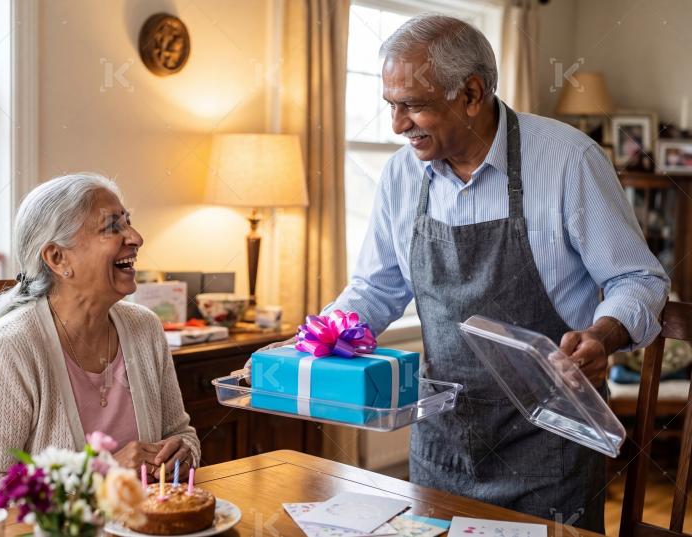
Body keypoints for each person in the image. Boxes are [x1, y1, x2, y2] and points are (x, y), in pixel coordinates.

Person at [250, 14, 668, 532]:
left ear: (471, 93)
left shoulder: (568, 159)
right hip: (441, 444)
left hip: (551, 448)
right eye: (391, 105)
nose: (397, 125)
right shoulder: (402, 174)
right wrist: (309, 347)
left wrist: (603, 335)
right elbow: (375, 289)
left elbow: (639, 279)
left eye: (413, 105)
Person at [0, 173, 200, 504]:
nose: (136, 238)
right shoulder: (11, 346)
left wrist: (181, 452)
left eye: (128, 223)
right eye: (113, 227)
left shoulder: (145, 328)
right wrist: (99, 475)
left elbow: (182, 434)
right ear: (57, 258)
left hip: (143, 521)